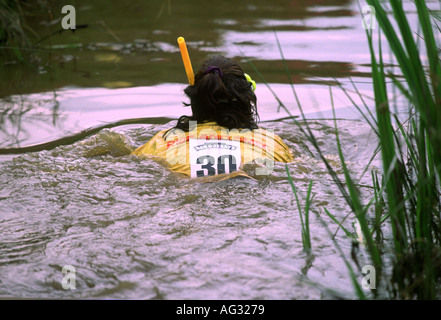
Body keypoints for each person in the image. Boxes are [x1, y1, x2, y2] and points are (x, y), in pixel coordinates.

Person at [132, 55, 293, 180]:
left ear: (195, 99)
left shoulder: (162, 141)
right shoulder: (272, 143)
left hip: (186, 185)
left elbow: (129, 164)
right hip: (250, 184)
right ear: (246, 99)